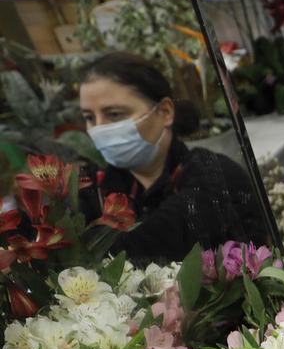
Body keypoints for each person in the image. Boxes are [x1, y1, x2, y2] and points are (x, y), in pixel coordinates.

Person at [78, 52, 268, 262]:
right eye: (89, 117)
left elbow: (146, 247)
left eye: (114, 114)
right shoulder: (96, 187)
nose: (99, 129)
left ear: (165, 112)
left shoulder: (213, 175)